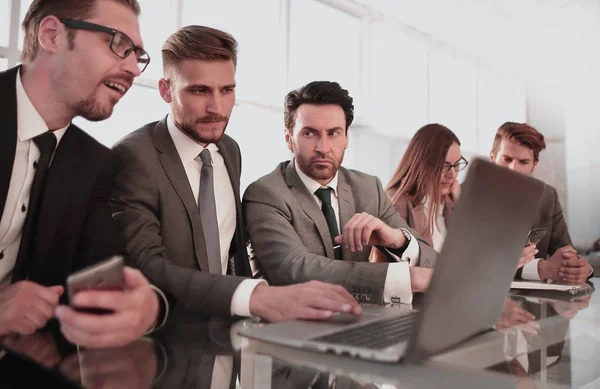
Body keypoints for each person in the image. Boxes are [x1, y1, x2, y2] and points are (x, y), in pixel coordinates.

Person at [110, 26, 362, 323]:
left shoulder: (229, 149)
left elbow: (232, 253)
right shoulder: (131, 157)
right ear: (166, 90)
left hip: (229, 336)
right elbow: (148, 266)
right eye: (199, 90)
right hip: (167, 342)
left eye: (226, 90)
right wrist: (254, 295)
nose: (216, 108)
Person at [0, 0, 165, 348]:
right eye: (119, 44)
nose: (135, 69)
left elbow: (105, 271)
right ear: (52, 35)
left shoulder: (96, 164)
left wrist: (147, 307)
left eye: (138, 55)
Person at [243, 81, 437, 306]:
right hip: (288, 330)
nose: (323, 147)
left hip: (359, 325)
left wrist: (396, 239)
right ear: (289, 138)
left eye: (333, 133)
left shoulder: (368, 188)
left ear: (346, 138)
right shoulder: (265, 193)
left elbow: (432, 262)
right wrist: (406, 278)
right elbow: (294, 270)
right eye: (309, 133)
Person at [375, 123, 538, 269]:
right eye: (445, 166)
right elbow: (416, 266)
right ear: (421, 164)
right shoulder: (396, 204)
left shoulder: (451, 203)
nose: (452, 174)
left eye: (456, 165)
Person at [490, 122, 593, 283]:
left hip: (536, 303)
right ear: (492, 158)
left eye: (523, 162)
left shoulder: (547, 196)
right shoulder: (462, 196)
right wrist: (541, 268)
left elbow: (564, 251)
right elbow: (468, 264)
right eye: (506, 159)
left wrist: (578, 267)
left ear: (534, 165)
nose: (513, 169)